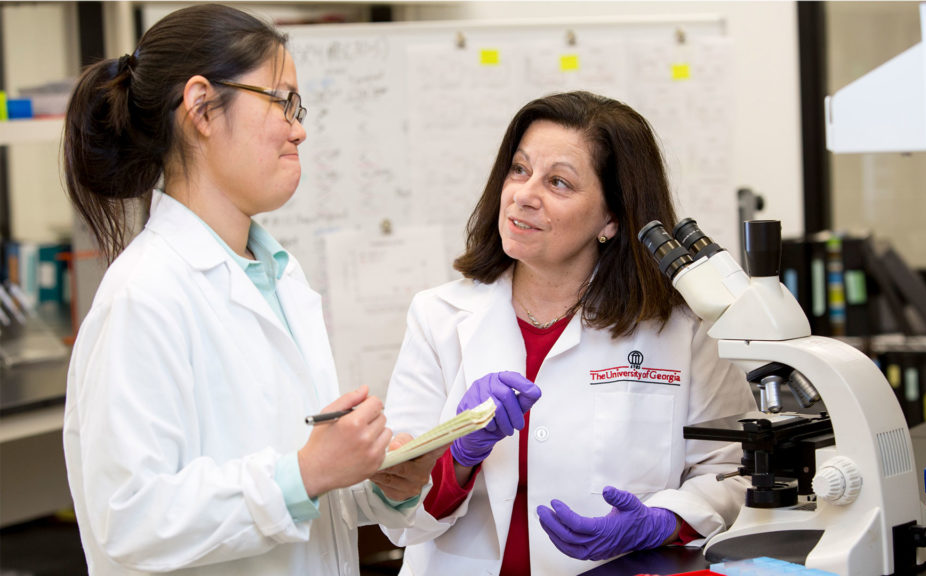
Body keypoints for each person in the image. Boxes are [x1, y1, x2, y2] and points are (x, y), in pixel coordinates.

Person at [61, 5, 440, 575]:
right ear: (201, 107)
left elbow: (296, 494)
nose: (300, 128)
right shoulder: (144, 294)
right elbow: (130, 519)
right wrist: (307, 472)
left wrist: (381, 479)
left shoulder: (279, 275)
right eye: (280, 100)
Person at [381, 90, 759, 575]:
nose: (523, 194)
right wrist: (457, 456)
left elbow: (731, 473)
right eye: (519, 170)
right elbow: (397, 513)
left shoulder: (682, 328)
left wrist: (663, 520)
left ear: (611, 218)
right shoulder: (438, 315)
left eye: (558, 182)